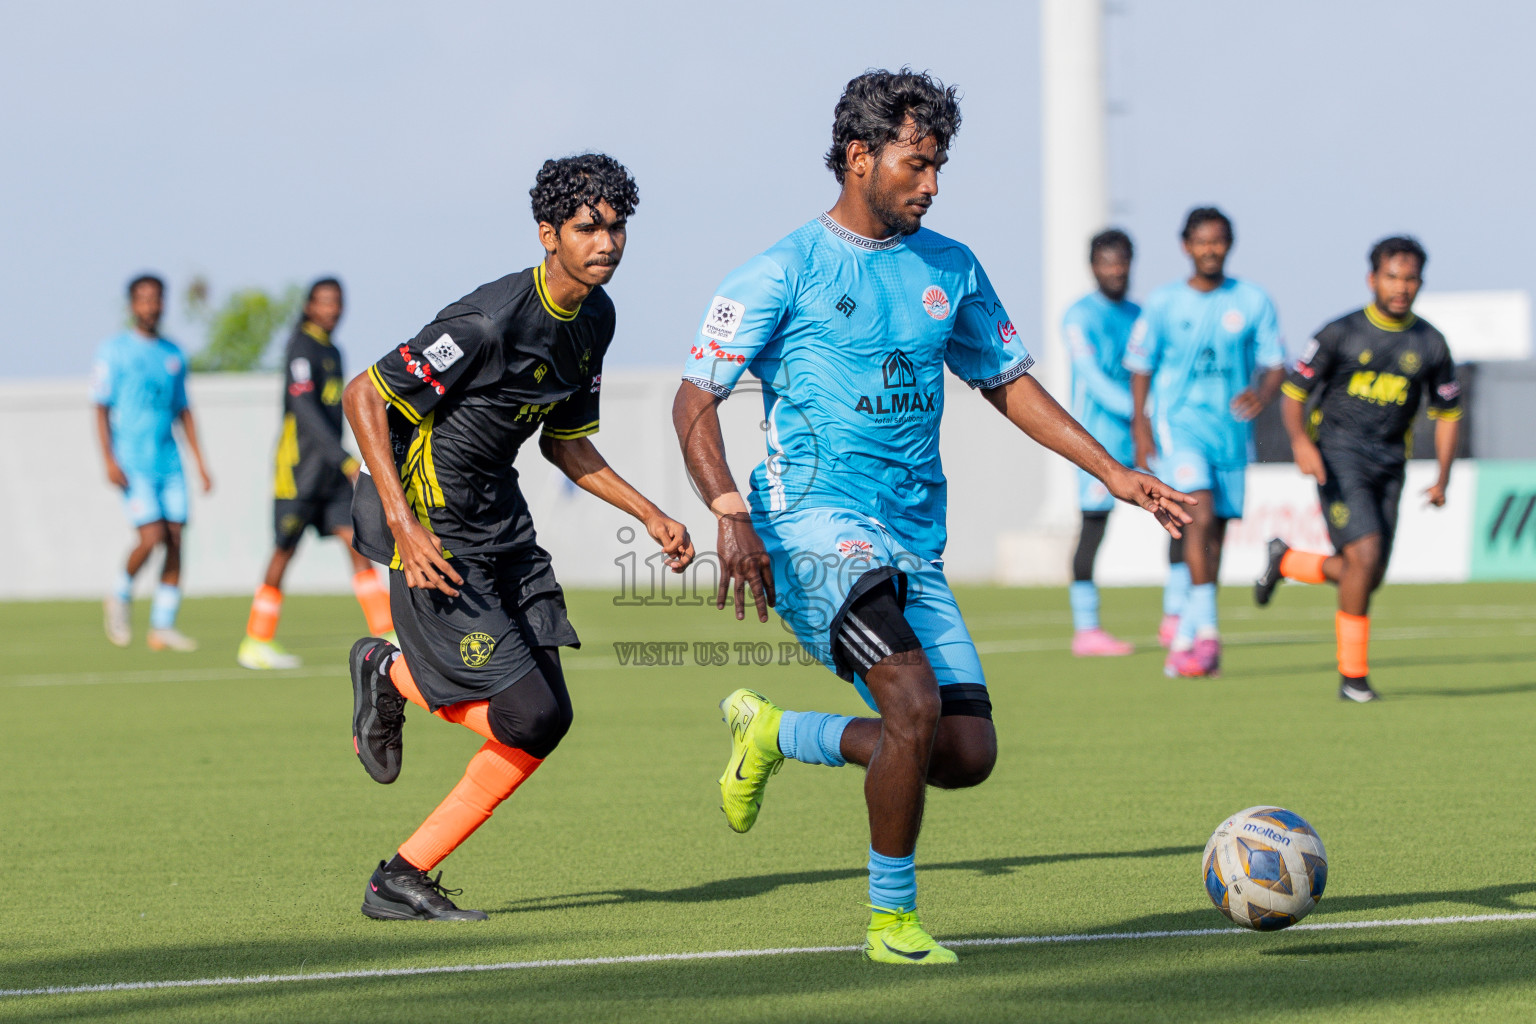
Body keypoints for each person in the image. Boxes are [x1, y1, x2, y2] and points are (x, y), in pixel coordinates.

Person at [672, 69, 1193, 965]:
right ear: (858, 156)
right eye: (917, 163)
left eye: (940, 165)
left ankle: (776, 731)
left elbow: (1008, 383)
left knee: (961, 751)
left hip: (912, 539)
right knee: (910, 702)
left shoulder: (950, 267)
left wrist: (1113, 470)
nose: (933, 183)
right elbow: (693, 401)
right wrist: (729, 510)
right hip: (812, 526)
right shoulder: (780, 271)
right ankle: (892, 922)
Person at [342, 153, 694, 920]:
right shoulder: (488, 321)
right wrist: (404, 527)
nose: (607, 241)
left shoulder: (595, 319)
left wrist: (650, 512)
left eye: (616, 225)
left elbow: (564, 442)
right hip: (433, 528)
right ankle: (388, 673)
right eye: (586, 226)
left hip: (503, 525)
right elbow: (364, 392)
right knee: (527, 712)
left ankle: (401, 874)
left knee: (548, 717)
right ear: (548, 234)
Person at [1253, 236, 1459, 702]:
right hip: (1338, 457)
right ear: (1372, 279)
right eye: (1392, 277)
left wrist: (1443, 476)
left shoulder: (1431, 343)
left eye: (1409, 279)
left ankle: (1285, 560)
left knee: (1368, 572)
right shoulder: (1339, 333)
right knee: (1363, 560)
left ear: (1420, 283)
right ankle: (1354, 679)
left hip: (1390, 462)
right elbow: (1293, 392)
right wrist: (1301, 442)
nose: (1401, 287)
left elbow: (1447, 414)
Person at [1126, 207, 1285, 678]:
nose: (1210, 249)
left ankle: (1187, 635)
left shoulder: (1253, 300)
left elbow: (1276, 361)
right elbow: (1140, 364)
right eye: (1201, 241)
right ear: (1186, 246)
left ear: (1229, 245)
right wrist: (1141, 424)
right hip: (1181, 425)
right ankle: (1209, 634)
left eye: (1218, 241)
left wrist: (1264, 392)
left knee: (1216, 534)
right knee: (1199, 512)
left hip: (1231, 431)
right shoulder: (1163, 303)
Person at [238, 279, 394, 669]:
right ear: (309, 306)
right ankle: (255, 640)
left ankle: (389, 632)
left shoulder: (333, 351)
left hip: (330, 472)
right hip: (299, 472)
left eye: (337, 302)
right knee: (284, 549)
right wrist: (344, 459)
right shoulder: (301, 348)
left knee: (356, 541)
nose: (332, 309)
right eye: (323, 302)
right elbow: (304, 411)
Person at [94, 274, 213, 651]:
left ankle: (162, 625)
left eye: (156, 299)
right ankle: (119, 595)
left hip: (170, 462)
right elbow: (100, 408)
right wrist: (109, 459)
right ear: (132, 305)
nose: (150, 306)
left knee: (176, 538)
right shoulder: (113, 351)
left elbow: (184, 410)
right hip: (133, 463)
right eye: (143, 299)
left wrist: (201, 463)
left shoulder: (173, 355)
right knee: (151, 536)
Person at [1063, 228, 1141, 656]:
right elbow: (1092, 377)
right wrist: (1139, 409)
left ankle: (1178, 617)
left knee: (1182, 512)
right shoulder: (1078, 316)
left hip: (1143, 437)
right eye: (1107, 262)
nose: (1115, 270)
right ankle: (1087, 629)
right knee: (1093, 526)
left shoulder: (1140, 315)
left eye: (1122, 261)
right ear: (1093, 266)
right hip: (1096, 443)